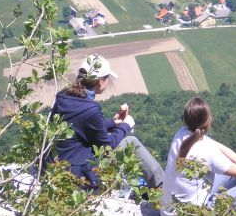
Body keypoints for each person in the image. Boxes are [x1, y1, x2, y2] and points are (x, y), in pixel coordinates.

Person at [49, 54, 163, 189]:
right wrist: (126, 125)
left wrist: (114, 122)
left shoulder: (63, 95)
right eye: (107, 78)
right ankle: (163, 188)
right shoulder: (90, 108)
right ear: (100, 81)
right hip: (76, 173)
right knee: (130, 142)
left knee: (116, 138)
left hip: (57, 164)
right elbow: (108, 147)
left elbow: (81, 127)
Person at [161, 96, 236, 216]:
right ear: (207, 121)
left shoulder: (182, 133)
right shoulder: (207, 150)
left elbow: (222, 149)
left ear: (186, 120)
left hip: (167, 213)